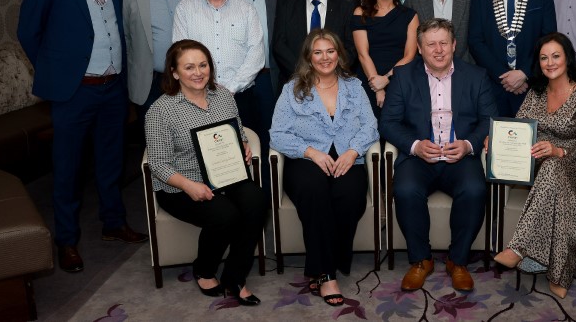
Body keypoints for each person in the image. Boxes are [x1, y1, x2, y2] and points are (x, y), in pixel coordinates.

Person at [17, 0, 148, 274]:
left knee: (111, 162)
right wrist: (57, 72)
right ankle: (67, 240)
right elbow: (28, 32)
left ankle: (113, 223)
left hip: (111, 89)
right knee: (68, 168)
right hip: (74, 91)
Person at [145, 40, 268, 306]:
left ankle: (236, 277)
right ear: (175, 72)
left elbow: (237, 129)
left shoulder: (223, 95)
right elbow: (158, 164)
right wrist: (189, 186)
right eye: (189, 67)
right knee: (226, 214)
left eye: (203, 65)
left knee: (257, 199)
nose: (198, 72)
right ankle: (203, 268)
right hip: (180, 186)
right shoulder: (161, 110)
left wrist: (243, 142)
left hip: (226, 175)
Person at [380, 18, 497, 293]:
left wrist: (469, 144)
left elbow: (489, 119)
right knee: (406, 189)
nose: (438, 49)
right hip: (420, 158)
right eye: (431, 44)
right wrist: (415, 146)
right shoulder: (404, 76)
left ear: (454, 45)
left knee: (475, 188)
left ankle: (458, 262)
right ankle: (421, 260)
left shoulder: (476, 76)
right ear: (420, 49)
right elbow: (388, 123)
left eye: (444, 42)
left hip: (460, 157)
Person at [270, 29, 379, 307]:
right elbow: (277, 134)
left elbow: (370, 125)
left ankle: (327, 262)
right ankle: (327, 273)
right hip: (305, 161)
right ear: (309, 56)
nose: (325, 57)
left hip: (347, 158)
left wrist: (353, 150)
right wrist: (311, 153)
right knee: (314, 191)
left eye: (330, 51)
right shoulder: (292, 88)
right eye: (317, 52)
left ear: (339, 54)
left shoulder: (354, 86)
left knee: (350, 196)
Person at [493, 32, 576, 299]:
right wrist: (494, 138)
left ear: (567, 59)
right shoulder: (536, 94)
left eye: (556, 56)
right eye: (544, 58)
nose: (550, 63)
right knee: (550, 170)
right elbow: (518, 129)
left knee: (554, 167)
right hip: (540, 170)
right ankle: (557, 273)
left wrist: (558, 150)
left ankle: (518, 248)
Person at [172, 0, 265, 130]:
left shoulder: (247, 10)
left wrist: (229, 89)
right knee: (199, 155)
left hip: (240, 98)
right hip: (196, 99)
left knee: (243, 152)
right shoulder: (184, 10)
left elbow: (256, 55)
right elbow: (180, 55)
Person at [469, 0, 557, 117]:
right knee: (495, 143)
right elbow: (475, 42)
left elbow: (548, 39)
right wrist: (505, 77)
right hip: (493, 88)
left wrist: (524, 73)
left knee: (532, 144)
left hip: (532, 87)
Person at [124, 0, 202, 121]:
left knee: (190, 138)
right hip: (149, 83)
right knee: (155, 142)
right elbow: (125, 37)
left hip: (187, 80)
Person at [228, 0, 290, 161]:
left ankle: (270, 189)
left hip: (269, 78)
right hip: (233, 80)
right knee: (236, 137)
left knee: (269, 136)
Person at [272, 0, 356, 85]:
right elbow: (279, 45)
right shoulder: (285, 5)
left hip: (334, 85)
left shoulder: (346, 9)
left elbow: (350, 50)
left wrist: (328, 75)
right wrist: (303, 75)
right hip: (294, 83)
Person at [352, 0, 419, 118]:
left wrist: (387, 79)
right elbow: (363, 54)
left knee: (396, 137)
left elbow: (410, 55)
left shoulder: (410, 15)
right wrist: (378, 86)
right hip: (368, 83)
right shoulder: (360, 13)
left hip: (400, 82)